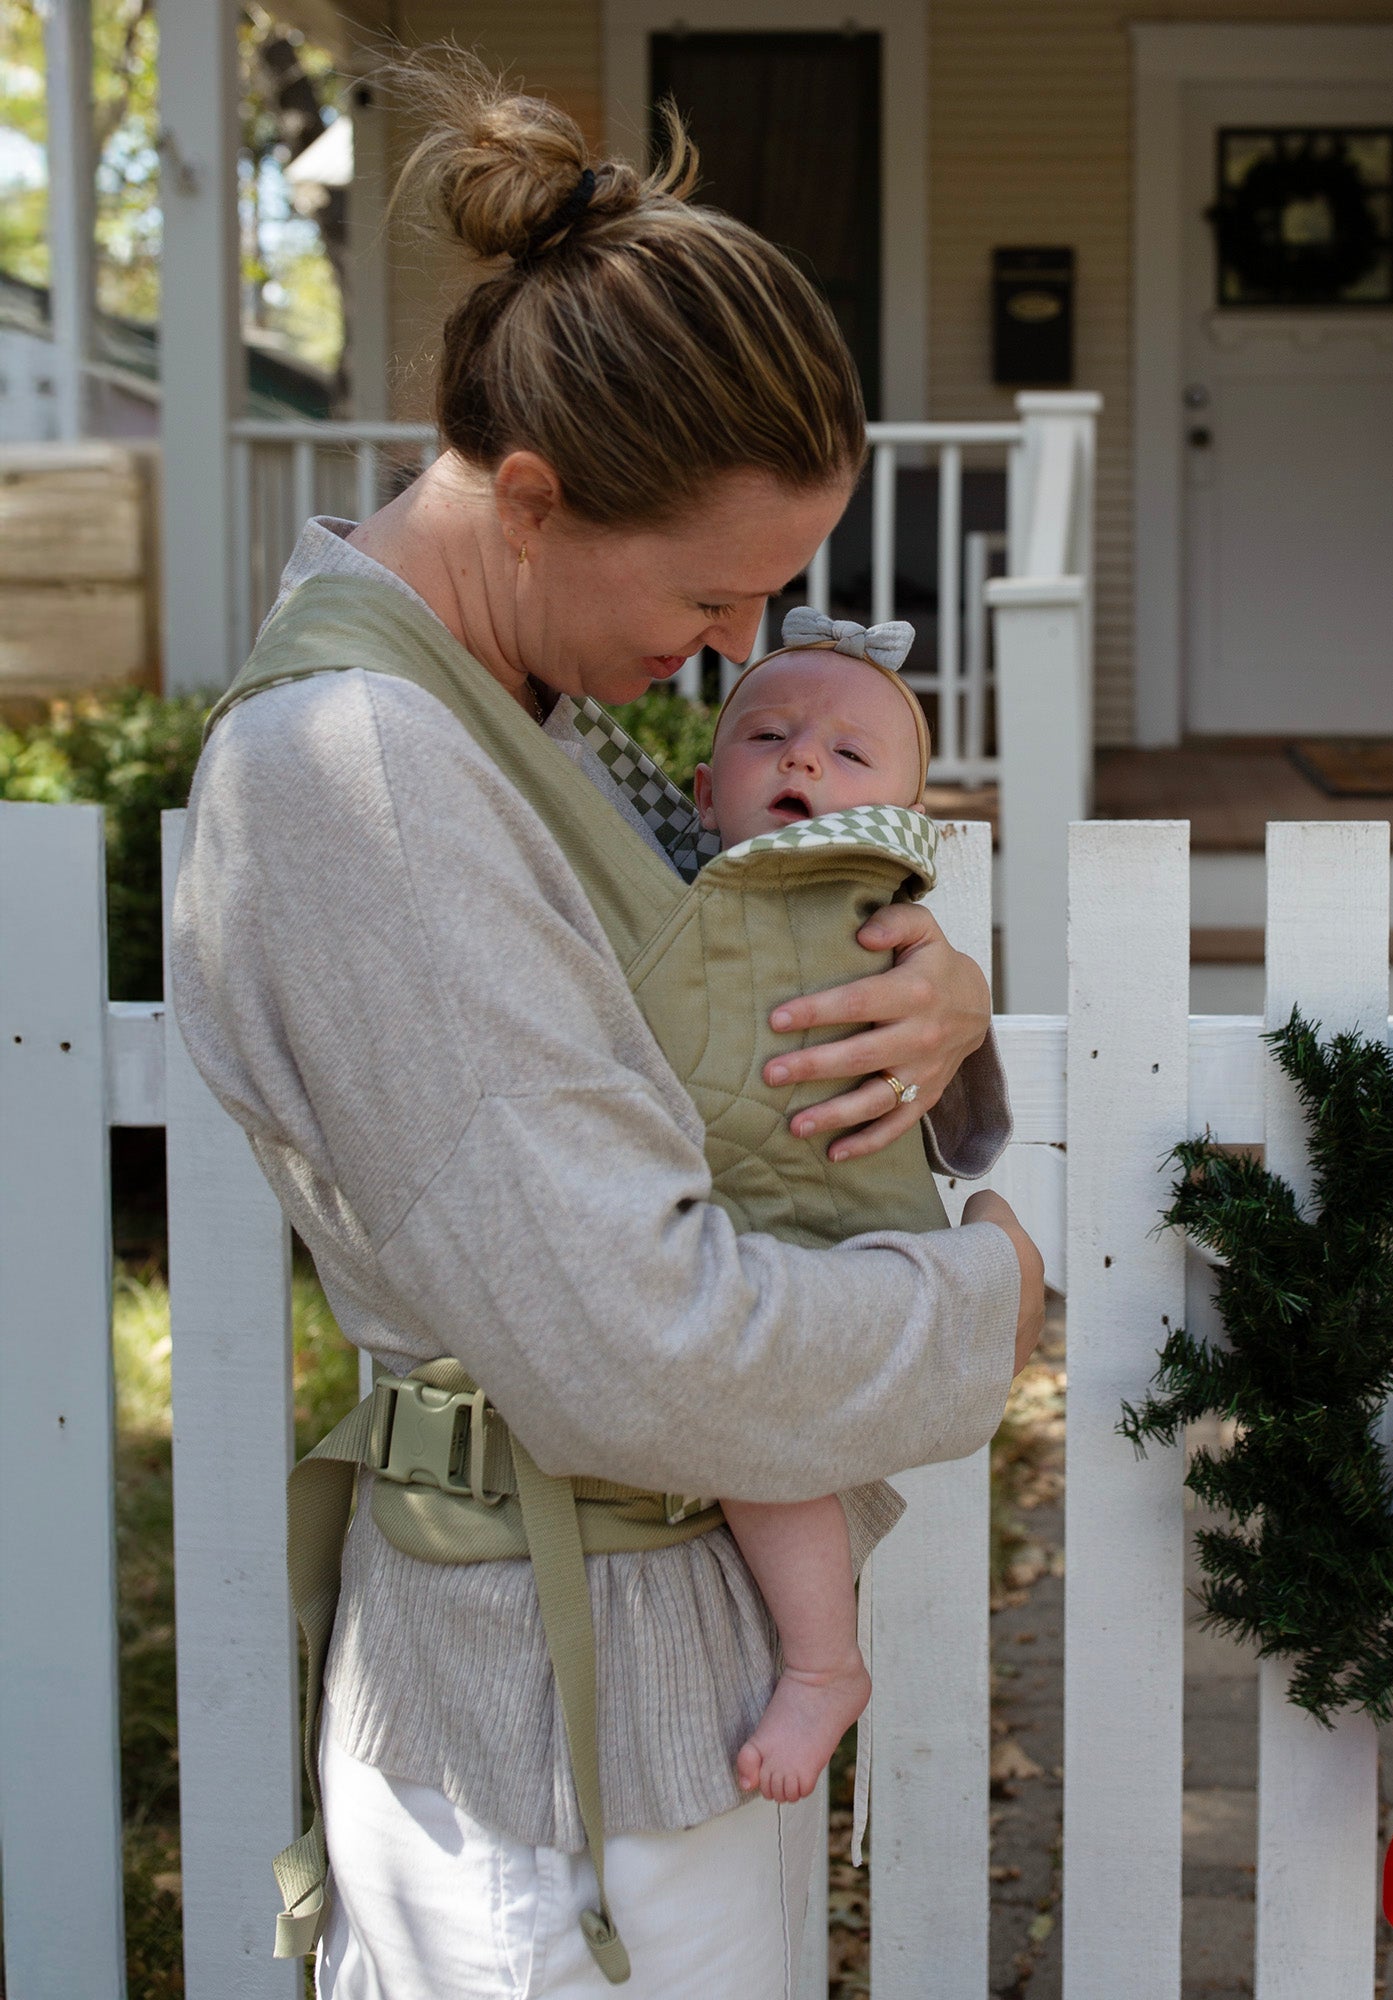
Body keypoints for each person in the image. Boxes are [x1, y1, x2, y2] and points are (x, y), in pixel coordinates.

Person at [170, 50, 1044, 2000]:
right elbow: (638, 1352)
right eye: (718, 592)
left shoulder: (512, 720)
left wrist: (930, 989)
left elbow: (699, 1018)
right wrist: (990, 1302)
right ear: (540, 500)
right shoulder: (361, 774)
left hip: (645, 1678)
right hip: (538, 1756)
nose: (742, 651)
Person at [685, 607, 971, 1808]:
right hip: (743, 1196)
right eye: (769, 735)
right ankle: (819, 1655)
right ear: (703, 791)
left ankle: (821, 1659)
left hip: (816, 1206)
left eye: (849, 756)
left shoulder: (862, 897)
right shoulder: (688, 882)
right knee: (752, 1434)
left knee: (754, 1431)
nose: (802, 759)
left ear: (904, 816)